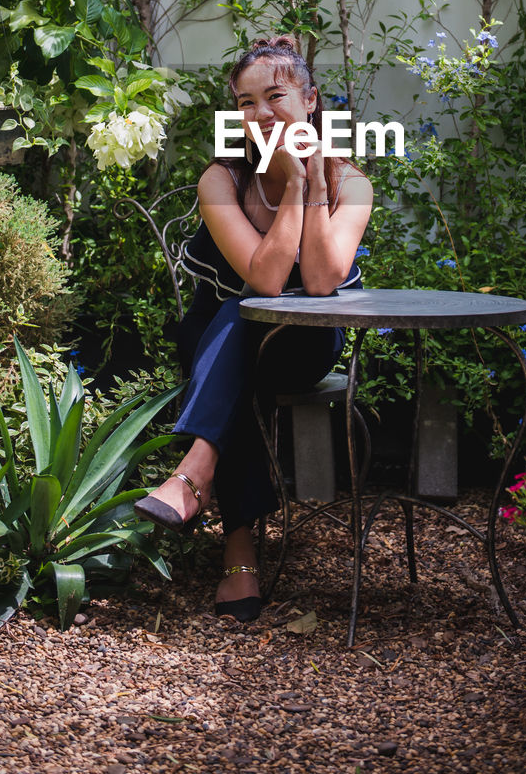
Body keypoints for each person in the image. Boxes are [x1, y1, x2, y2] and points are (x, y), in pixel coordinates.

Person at [134, 35, 373, 621]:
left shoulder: (353, 186)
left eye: (275, 97)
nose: (260, 115)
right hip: (220, 334)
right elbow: (263, 279)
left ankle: (195, 475)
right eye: (245, 103)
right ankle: (236, 558)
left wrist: (311, 182)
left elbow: (318, 283)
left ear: (311, 100)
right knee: (241, 323)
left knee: (250, 326)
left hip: (306, 339)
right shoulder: (221, 182)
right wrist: (290, 184)